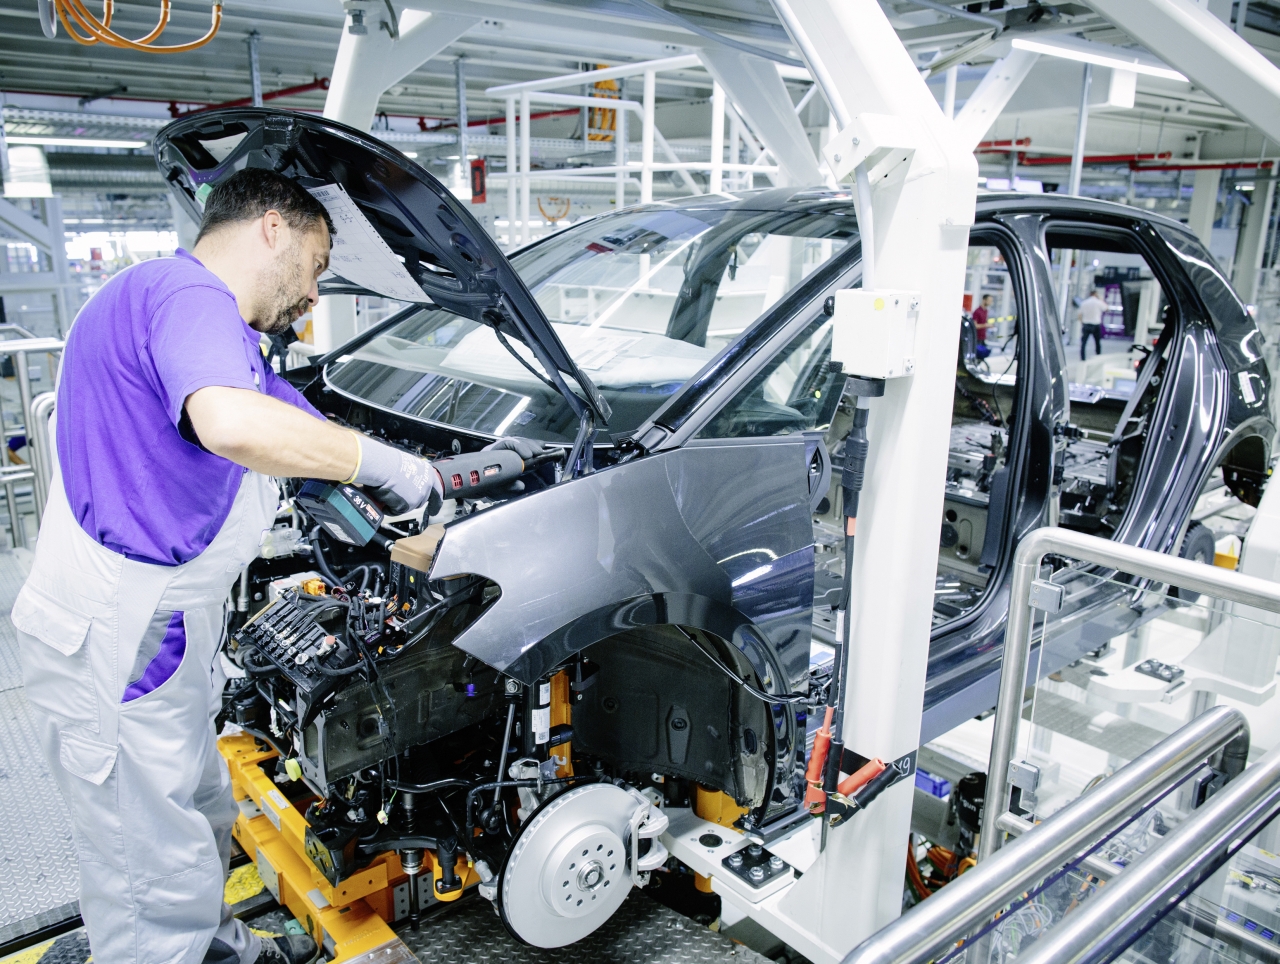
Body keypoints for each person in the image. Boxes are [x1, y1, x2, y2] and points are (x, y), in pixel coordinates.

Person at [11, 170, 447, 964]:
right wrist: (388, 465)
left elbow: (305, 443)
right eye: (317, 264)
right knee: (147, 866)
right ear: (273, 228)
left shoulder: (225, 341)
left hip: (162, 630)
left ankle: (216, 947)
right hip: (119, 639)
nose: (314, 293)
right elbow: (232, 425)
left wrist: (407, 512)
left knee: (199, 807)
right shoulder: (184, 294)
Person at [1079, 288, 1108, 360]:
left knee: (1083, 343)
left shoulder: (1084, 302)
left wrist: (1082, 323)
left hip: (1086, 324)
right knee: (1097, 342)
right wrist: (1101, 299)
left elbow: (1079, 315)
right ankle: (1098, 357)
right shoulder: (1099, 302)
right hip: (1096, 324)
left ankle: (1083, 358)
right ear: (1096, 294)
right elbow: (1107, 309)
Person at [972, 293, 994, 359]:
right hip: (977, 337)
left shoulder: (986, 311)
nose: (990, 302)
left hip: (982, 337)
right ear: (984, 300)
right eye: (989, 301)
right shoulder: (977, 311)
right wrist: (986, 325)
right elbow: (975, 325)